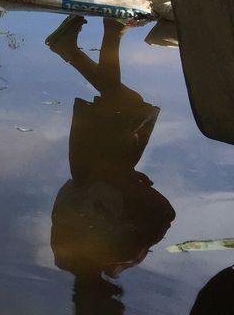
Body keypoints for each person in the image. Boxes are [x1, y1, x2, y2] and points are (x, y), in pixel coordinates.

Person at [46, 16, 175, 313]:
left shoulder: (119, 255)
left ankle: (101, 37)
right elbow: (161, 213)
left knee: (126, 100)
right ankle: (82, 45)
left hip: (106, 168)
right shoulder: (67, 257)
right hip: (87, 166)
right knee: (123, 99)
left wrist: (124, 181)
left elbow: (164, 213)